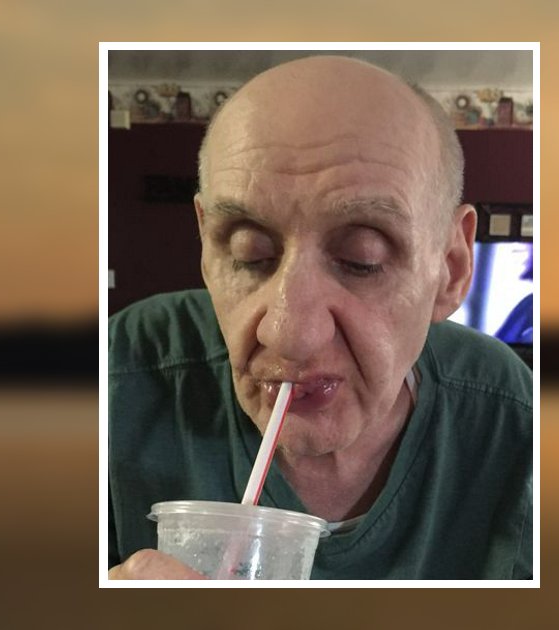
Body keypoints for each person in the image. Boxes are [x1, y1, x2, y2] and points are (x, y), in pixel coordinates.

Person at [108, 55, 533, 579]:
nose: (289, 334)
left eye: (362, 259)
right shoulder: (118, 375)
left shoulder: (509, 416)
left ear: (451, 267)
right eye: (248, 254)